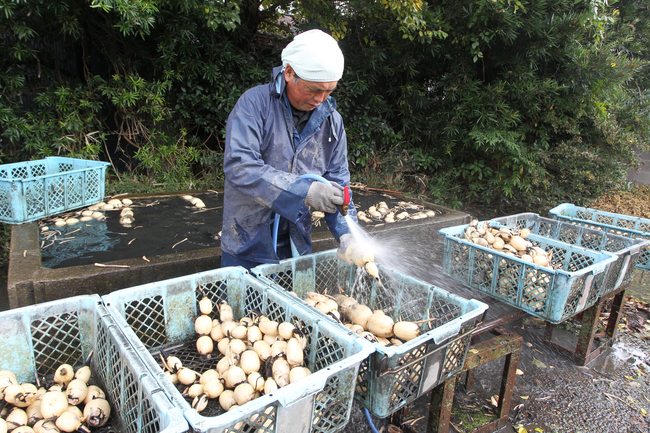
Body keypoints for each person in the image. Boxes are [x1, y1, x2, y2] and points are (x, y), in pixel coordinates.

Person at [221, 29, 359, 270]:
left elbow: (337, 182)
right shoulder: (254, 105)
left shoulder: (332, 122)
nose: (321, 98)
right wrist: (304, 191)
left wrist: (347, 234)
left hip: (296, 245)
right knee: (243, 307)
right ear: (288, 73)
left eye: (329, 91)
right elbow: (241, 167)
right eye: (314, 89)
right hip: (247, 242)